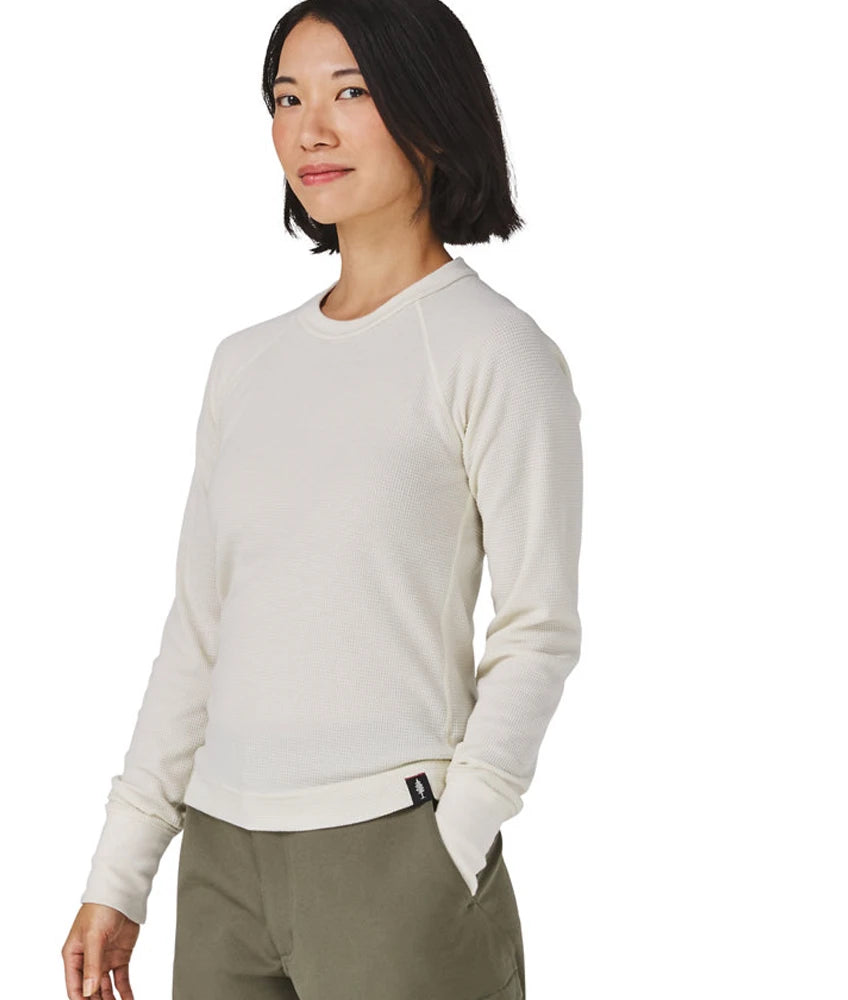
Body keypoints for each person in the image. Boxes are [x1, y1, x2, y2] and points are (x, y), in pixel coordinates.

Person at [61, 1, 583, 997]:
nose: (311, 129)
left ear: (431, 112)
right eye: (286, 99)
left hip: (395, 853)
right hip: (222, 858)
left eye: (350, 92)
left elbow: (538, 629)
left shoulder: (494, 352)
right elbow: (199, 634)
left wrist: (458, 836)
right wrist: (119, 872)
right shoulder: (245, 364)